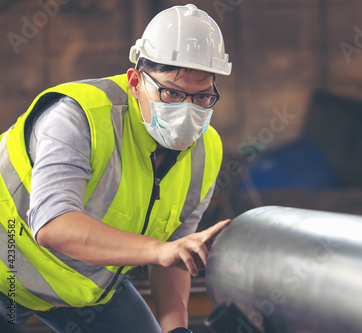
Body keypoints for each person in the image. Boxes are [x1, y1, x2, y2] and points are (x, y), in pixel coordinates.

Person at [0, 4, 232, 333]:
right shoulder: (79, 118)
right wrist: (159, 250)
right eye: (171, 93)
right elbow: (53, 224)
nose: (187, 109)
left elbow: (175, 254)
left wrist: (176, 329)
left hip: (87, 287)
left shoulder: (207, 150)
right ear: (135, 81)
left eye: (202, 97)